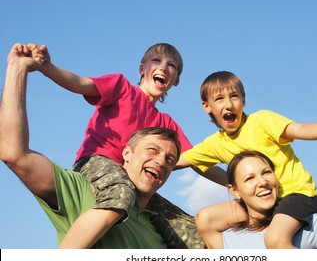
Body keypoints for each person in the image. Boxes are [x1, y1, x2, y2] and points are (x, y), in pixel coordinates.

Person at [0, 43, 188, 248]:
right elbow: (81, 83)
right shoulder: (122, 88)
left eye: (171, 65)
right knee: (120, 194)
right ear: (142, 69)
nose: (163, 67)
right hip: (97, 163)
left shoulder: (165, 124)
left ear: (176, 80)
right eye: (156, 60)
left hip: (127, 185)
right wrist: (47, 69)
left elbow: (198, 157)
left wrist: (227, 169)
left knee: (191, 229)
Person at [176, 70, 317, 248]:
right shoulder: (215, 144)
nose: (229, 104)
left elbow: (300, 129)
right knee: (205, 217)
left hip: (297, 194)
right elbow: (181, 161)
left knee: (275, 240)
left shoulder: (262, 120)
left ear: (243, 100)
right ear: (206, 106)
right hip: (261, 202)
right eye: (219, 99)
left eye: (234, 96)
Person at [195, 119, 317, 248]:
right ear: (234, 191)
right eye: (249, 178)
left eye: (267, 172)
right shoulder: (226, 239)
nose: (262, 181)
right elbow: (206, 217)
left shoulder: (303, 227)